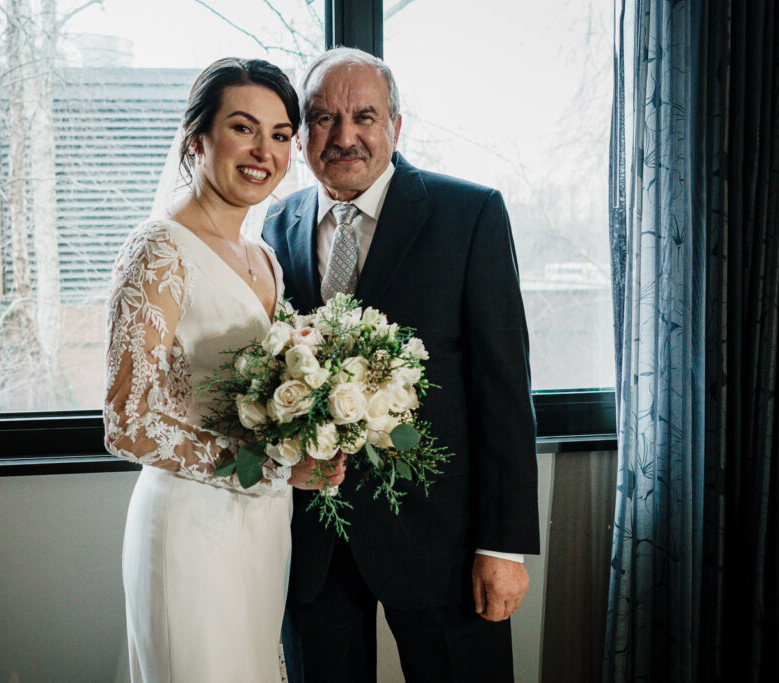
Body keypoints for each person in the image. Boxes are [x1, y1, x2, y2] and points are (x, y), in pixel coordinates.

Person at [262, 47, 540, 682]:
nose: (346, 136)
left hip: (441, 544)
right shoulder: (276, 224)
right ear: (304, 131)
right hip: (315, 547)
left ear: (396, 125)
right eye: (324, 118)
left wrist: (501, 546)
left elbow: (503, 389)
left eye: (365, 116)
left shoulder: (469, 215)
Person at [103, 57, 346, 683]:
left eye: (280, 134)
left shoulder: (263, 256)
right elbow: (125, 424)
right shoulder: (159, 250)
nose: (262, 151)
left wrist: (304, 440)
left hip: (263, 528)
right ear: (197, 139)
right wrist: (268, 466)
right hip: (189, 526)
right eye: (243, 128)